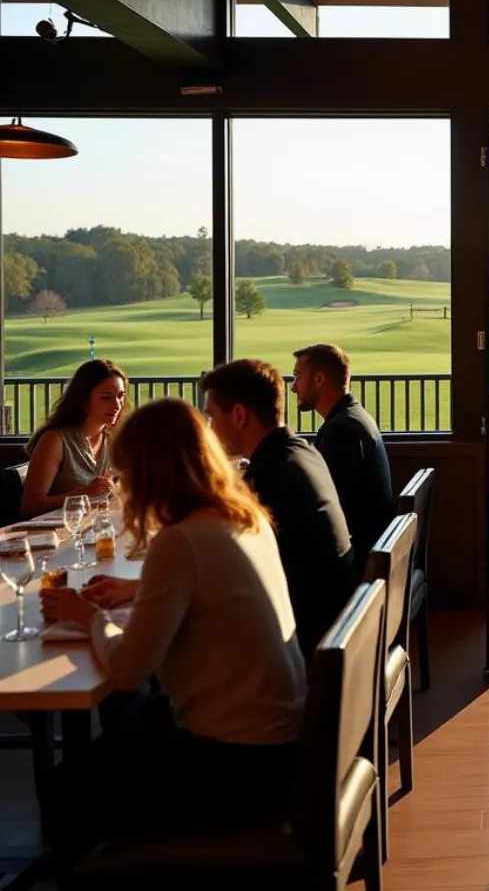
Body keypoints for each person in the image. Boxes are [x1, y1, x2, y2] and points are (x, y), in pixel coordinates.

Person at [39, 398, 306, 863]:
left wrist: (88, 616)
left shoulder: (180, 541)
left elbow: (126, 669)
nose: (125, 487)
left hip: (236, 770)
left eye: (127, 475)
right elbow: (212, 593)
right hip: (282, 749)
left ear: (150, 472)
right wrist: (141, 589)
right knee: (126, 722)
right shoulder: (245, 518)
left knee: (68, 788)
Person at [201, 359, 355, 658]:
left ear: (240, 415)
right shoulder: (300, 452)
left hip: (301, 645)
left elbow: (227, 566)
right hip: (334, 626)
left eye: (211, 417)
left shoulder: (273, 475)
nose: (209, 429)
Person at [292, 343, 394, 575]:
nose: (293, 388)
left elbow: (325, 508)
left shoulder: (342, 430)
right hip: (367, 548)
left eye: (297, 376)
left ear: (319, 379)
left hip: (356, 562)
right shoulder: (351, 417)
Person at [22, 358, 126, 517]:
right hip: (62, 535)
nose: (117, 405)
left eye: (120, 396)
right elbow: (30, 506)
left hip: (100, 530)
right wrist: (82, 495)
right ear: (84, 399)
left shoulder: (115, 439)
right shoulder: (55, 441)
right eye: (106, 397)